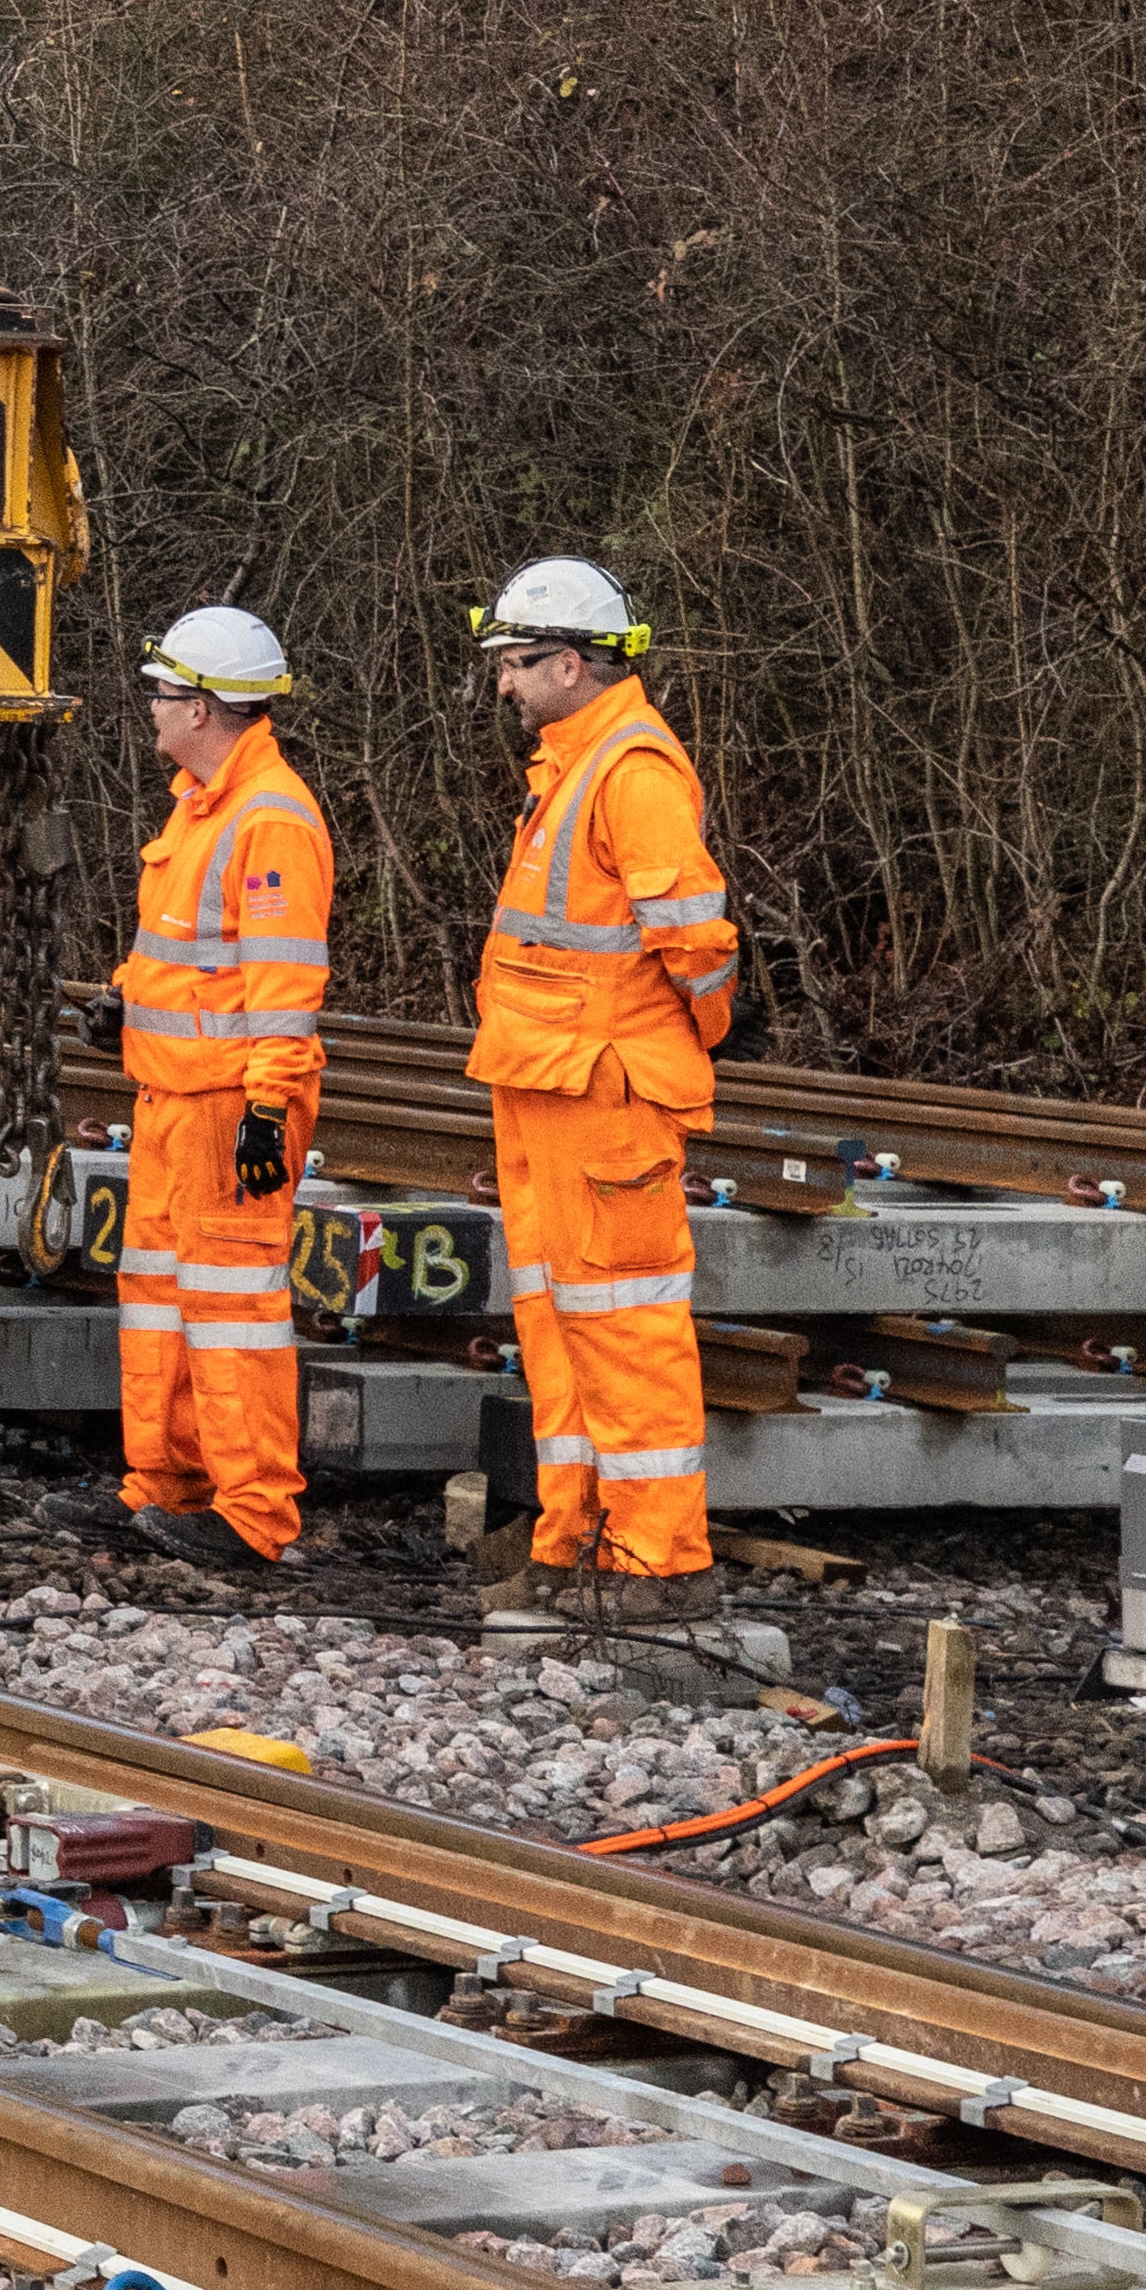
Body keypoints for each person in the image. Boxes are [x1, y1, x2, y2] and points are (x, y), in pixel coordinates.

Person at [468, 555, 741, 1592]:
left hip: (605, 1090)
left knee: (623, 1330)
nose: (505, 685)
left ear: (573, 665)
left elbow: (695, 939)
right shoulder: (574, 767)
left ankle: (654, 1561)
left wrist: (694, 1031)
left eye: (518, 663)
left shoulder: (629, 770)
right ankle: (574, 1540)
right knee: (559, 1326)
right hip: (551, 1083)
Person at [110, 605, 330, 1567]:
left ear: (201, 708)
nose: (150, 710)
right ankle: (164, 1487)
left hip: (230, 1106)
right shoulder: (200, 806)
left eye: (161, 695)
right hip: (170, 1098)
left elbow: (285, 990)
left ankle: (251, 1518)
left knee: (234, 1311)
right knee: (160, 1299)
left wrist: (267, 1111)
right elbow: (191, 960)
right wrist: (119, 1000)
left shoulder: (269, 820)